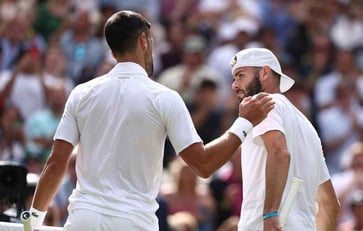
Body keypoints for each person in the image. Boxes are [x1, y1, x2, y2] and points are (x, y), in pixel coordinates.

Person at [28, 11, 274, 231]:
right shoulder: (165, 98)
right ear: (143, 41)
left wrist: (33, 222)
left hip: (84, 220)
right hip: (135, 223)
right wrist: (244, 123)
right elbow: (203, 165)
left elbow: (56, 162)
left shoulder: (81, 93)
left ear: (113, 52)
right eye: (152, 42)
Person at [230, 47, 340, 230]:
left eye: (240, 76)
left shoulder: (264, 103)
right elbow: (331, 205)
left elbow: (279, 153)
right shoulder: (308, 128)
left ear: (264, 73)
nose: (234, 85)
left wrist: (271, 214)